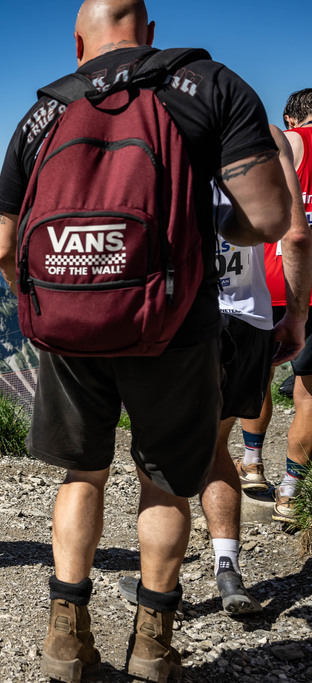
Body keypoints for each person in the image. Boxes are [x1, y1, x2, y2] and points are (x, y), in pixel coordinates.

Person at [0, 2, 292, 681]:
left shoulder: (42, 114)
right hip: (175, 326)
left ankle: (67, 637)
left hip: (70, 331)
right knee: (164, 483)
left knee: (82, 474)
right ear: (148, 32)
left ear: (78, 42)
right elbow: (269, 217)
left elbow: (9, 249)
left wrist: (64, 295)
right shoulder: (210, 86)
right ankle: (153, 644)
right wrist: (200, 229)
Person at [119, 128, 310, 618]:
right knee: (216, 448)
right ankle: (228, 571)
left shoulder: (159, 132)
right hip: (249, 322)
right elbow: (296, 234)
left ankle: (160, 590)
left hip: (185, 322)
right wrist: (296, 316)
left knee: (161, 459)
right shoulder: (262, 138)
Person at [239, 89, 312, 525]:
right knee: (309, 394)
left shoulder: (284, 142)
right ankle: (291, 492)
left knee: (258, 376)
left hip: (273, 279)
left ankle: (251, 465)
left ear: (290, 115)